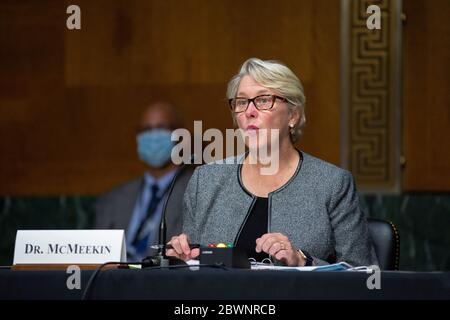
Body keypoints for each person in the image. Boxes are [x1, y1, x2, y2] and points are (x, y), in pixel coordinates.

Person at [166, 58, 378, 267]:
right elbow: (192, 272)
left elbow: (364, 274)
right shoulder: (205, 181)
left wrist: (303, 261)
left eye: (263, 100)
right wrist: (182, 259)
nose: (249, 111)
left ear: (293, 115)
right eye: (241, 102)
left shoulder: (332, 184)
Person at [95, 101, 186, 262]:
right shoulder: (113, 200)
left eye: (161, 128)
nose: (153, 136)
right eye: (146, 130)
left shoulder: (196, 192)